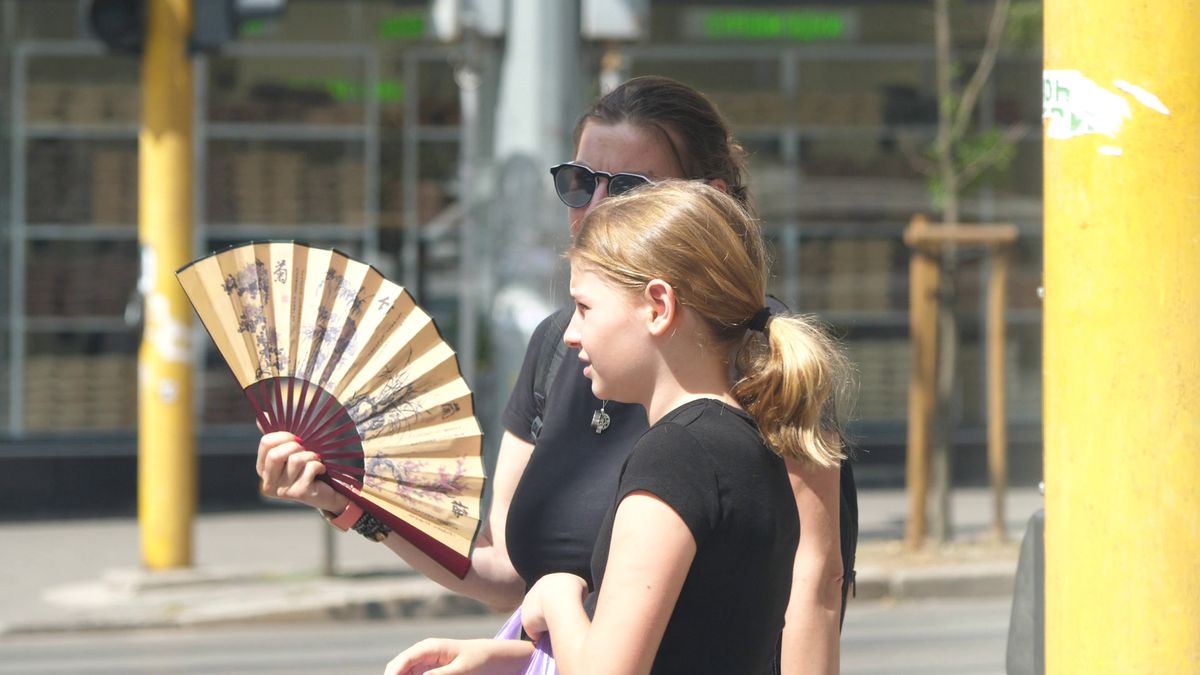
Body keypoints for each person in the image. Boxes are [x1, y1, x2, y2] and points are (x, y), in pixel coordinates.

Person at [257, 76, 856, 674]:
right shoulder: (558, 345)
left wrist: (559, 600)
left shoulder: (761, 359)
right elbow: (506, 570)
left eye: (627, 189)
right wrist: (349, 502)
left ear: (706, 200)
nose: (595, 208)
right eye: (579, 184)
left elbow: (812, 583)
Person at [391, 181, 850, 674]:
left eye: (584, 308)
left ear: (658, 306)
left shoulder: (676, 456)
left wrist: (558, 594)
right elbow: (693, 644)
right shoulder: (744, 441)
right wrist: (499, 658)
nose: (569, 334)